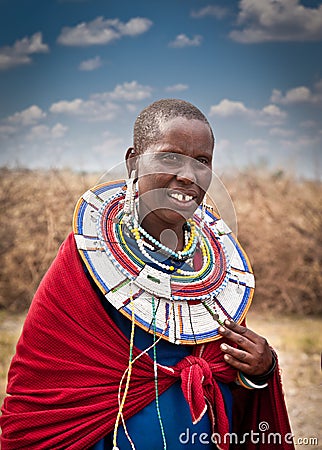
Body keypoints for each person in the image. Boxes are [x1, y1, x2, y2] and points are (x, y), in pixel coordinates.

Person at [0, 99, 294, 449]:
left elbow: (222, 361)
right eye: (170, 157)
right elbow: (46, 381)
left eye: (202, 162)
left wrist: (261, 368)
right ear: (133, 161)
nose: (187, 175)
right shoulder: (87, 257)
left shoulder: (213, 262)